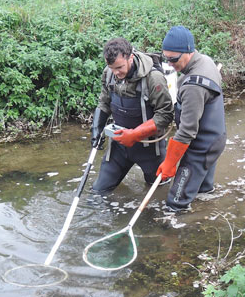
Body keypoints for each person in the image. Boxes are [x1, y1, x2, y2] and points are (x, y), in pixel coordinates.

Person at [155, 26, 227, 211]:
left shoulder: (194, 85)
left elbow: (186, 131)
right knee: (203, 192)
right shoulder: (206, 60)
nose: (170, 64)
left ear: (189, 51)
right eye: (166, 58)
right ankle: (204, 220)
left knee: (175, 203)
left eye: (173, 59)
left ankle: (175, 235)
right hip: (215, 138)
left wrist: (170, 164)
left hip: (201, 147)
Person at [90, 37, 174, 193]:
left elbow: (165, 114)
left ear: (131, 58)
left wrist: (135, 134)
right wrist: (96, 128)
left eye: (119, 67)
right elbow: (104, 103)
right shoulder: (109, 74)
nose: (115, 72)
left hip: (150, 149)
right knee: (98, 192)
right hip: (119, 145)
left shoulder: (153, 78)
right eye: (111, 67)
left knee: (159, 196)